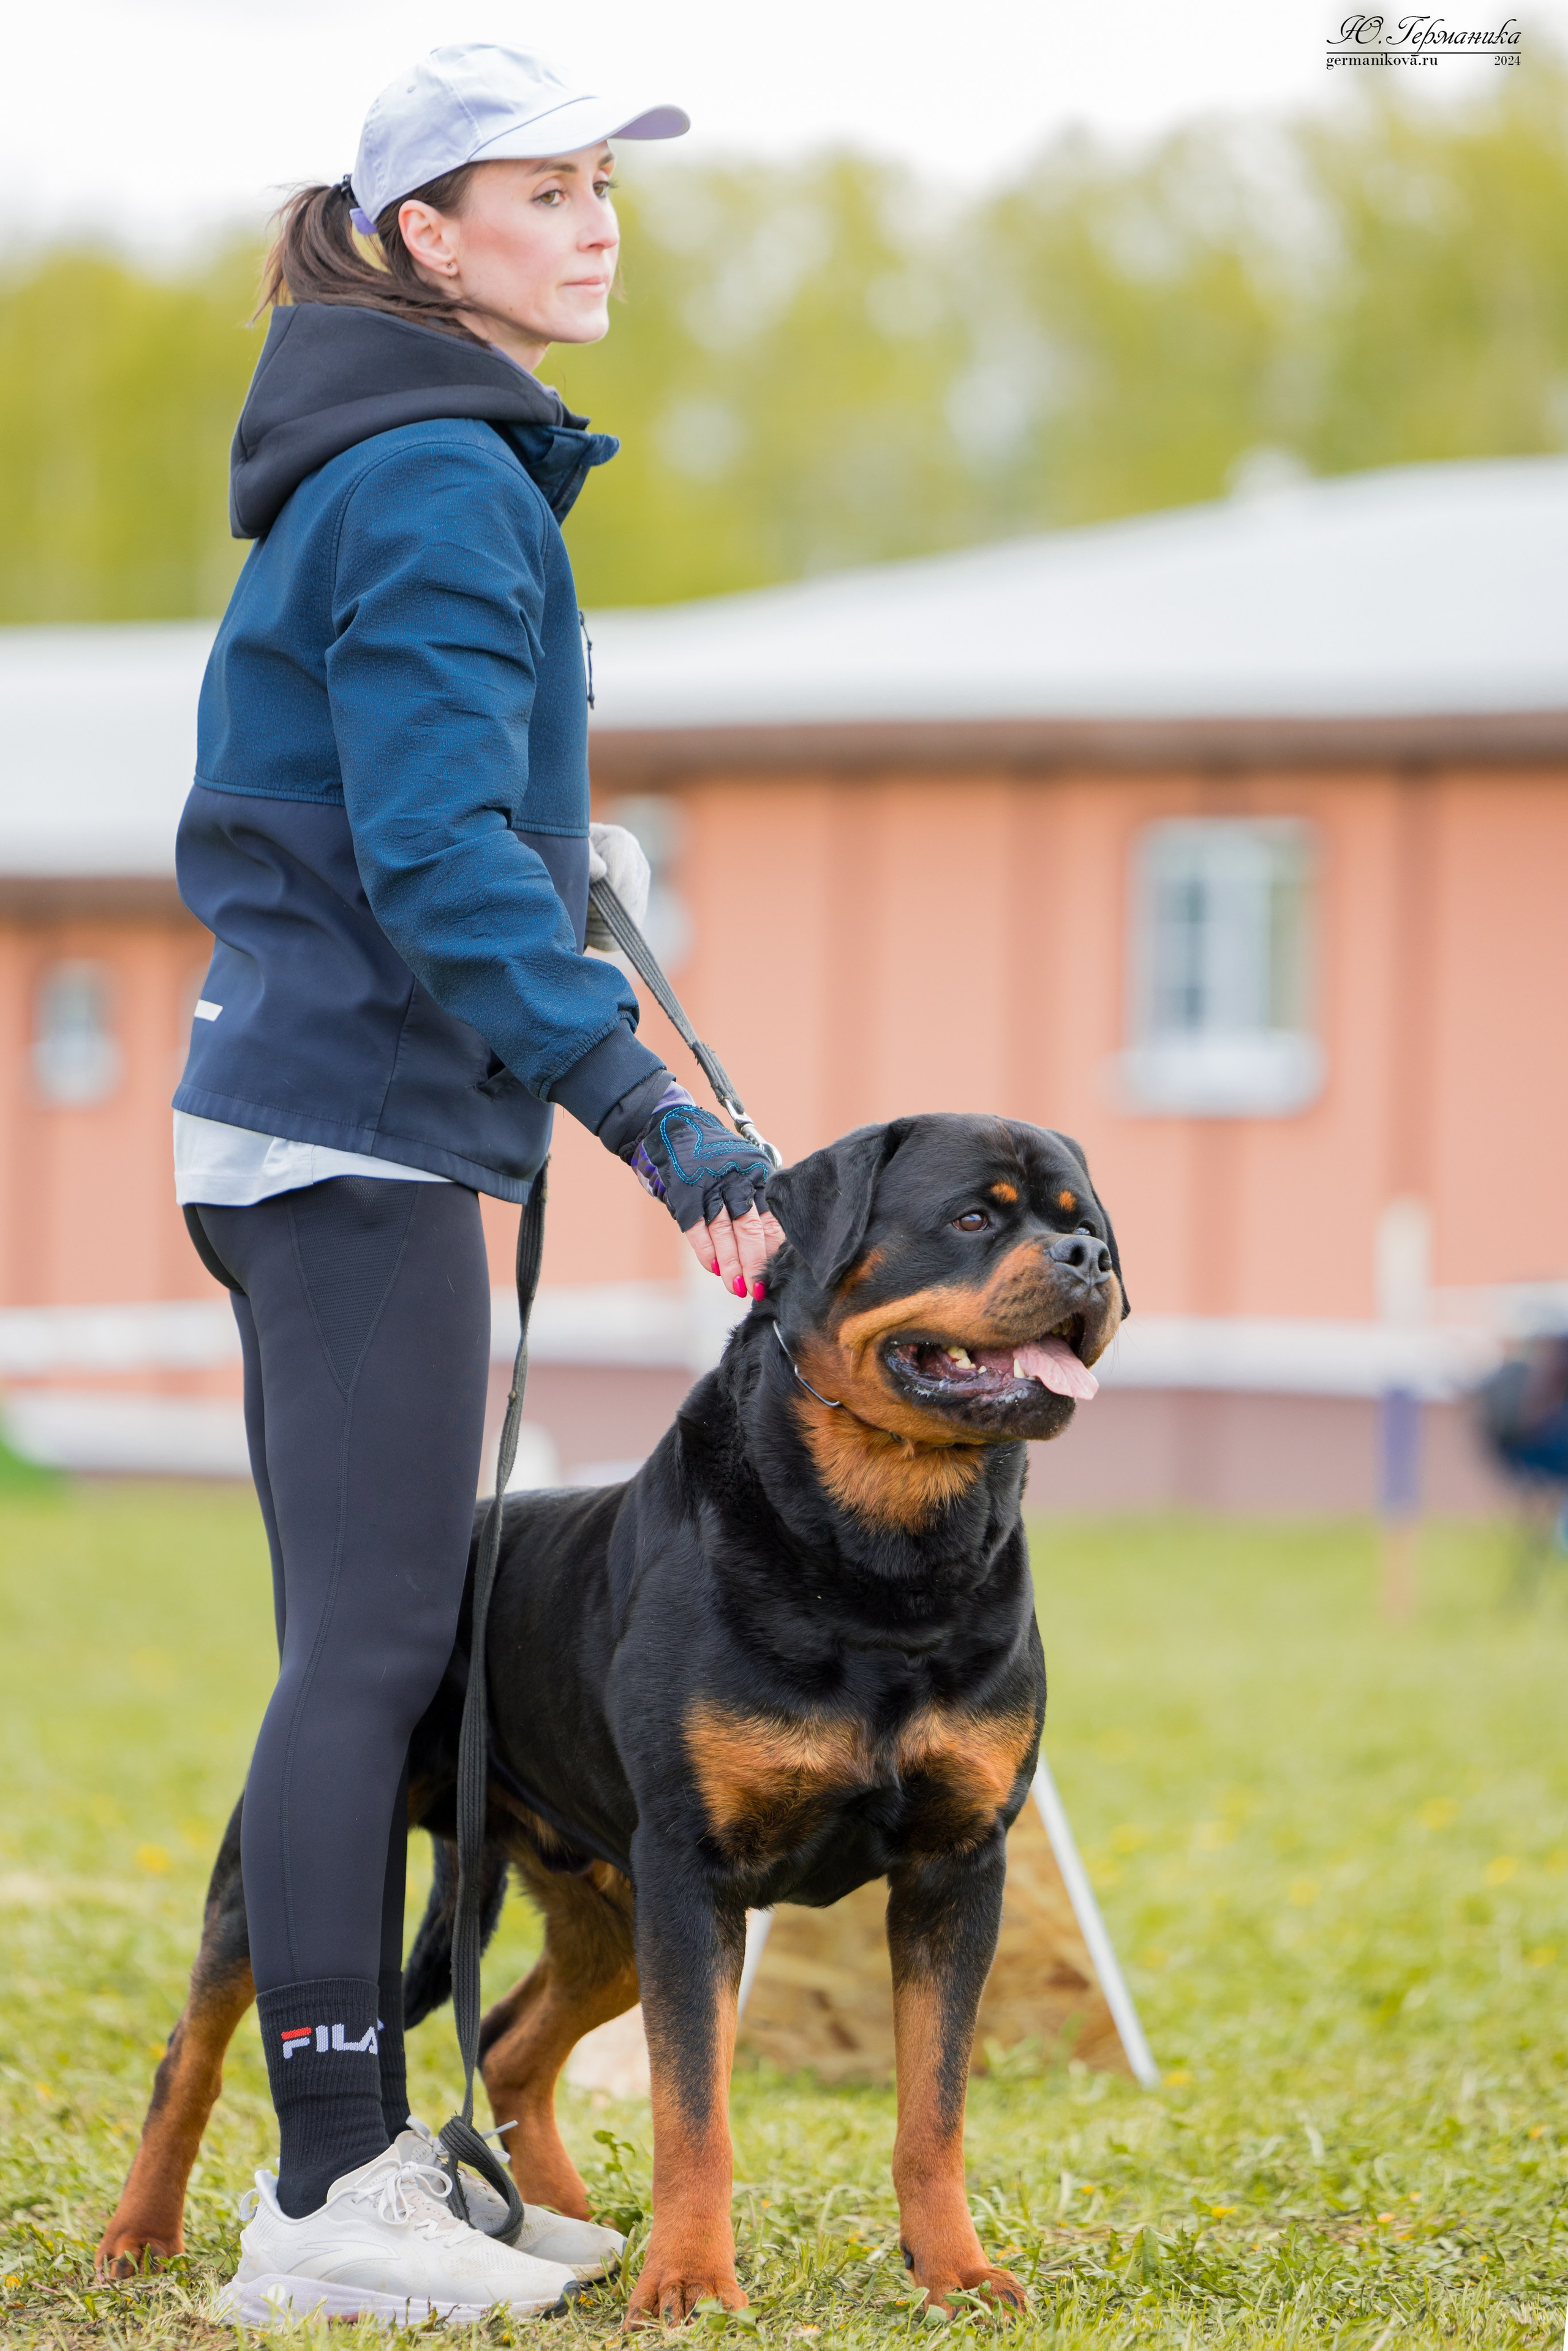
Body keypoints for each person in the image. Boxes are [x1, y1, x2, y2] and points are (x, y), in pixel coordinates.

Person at [170, 43, 783, 2326]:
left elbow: (421, 818)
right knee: (378, 1649)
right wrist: (667, 1126)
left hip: (343, 1112)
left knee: (385, 1637)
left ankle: (373, 2153)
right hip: (351, 1128)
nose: (596, 221)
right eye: (541, 191)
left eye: (603, 185)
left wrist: (559, 861)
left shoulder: (416, 461)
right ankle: (332, 2193)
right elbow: (429, 862)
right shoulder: (438, 477)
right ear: (426, 239)